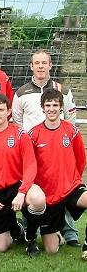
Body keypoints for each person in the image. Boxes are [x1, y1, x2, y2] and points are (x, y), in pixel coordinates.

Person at [11, 50, 80, 247]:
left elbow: (71, 121)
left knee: (63, 190)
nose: (40, 66)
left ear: (50, 66)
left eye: (44, 63)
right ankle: (29, 230)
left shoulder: (63, 91)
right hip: (33, 154)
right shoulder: (21, 93)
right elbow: (17, 123)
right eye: (37, 63)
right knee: (36, 194)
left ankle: (69, 231)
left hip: (58, 154)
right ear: (31, 66)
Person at [0, 93, 46, 253]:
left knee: (38, 199)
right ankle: (17, 228)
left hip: (16, 187)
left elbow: (30, 166)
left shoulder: (20, 134)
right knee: (0, 247)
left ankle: (31, 238)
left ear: (9, 111)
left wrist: (22, 192)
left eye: (1, 109)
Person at [27, 89, 87, 259]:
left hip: (70, 187)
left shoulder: (71, 131)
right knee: (52, 250)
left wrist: (73, 178)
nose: (51, 109)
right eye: (48, 105)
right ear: (42, 108)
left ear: (61, 107)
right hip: (48, 195)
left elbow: (80, 159)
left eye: (55, 105)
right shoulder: (34, 134)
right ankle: (57, 234)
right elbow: (30, 165)